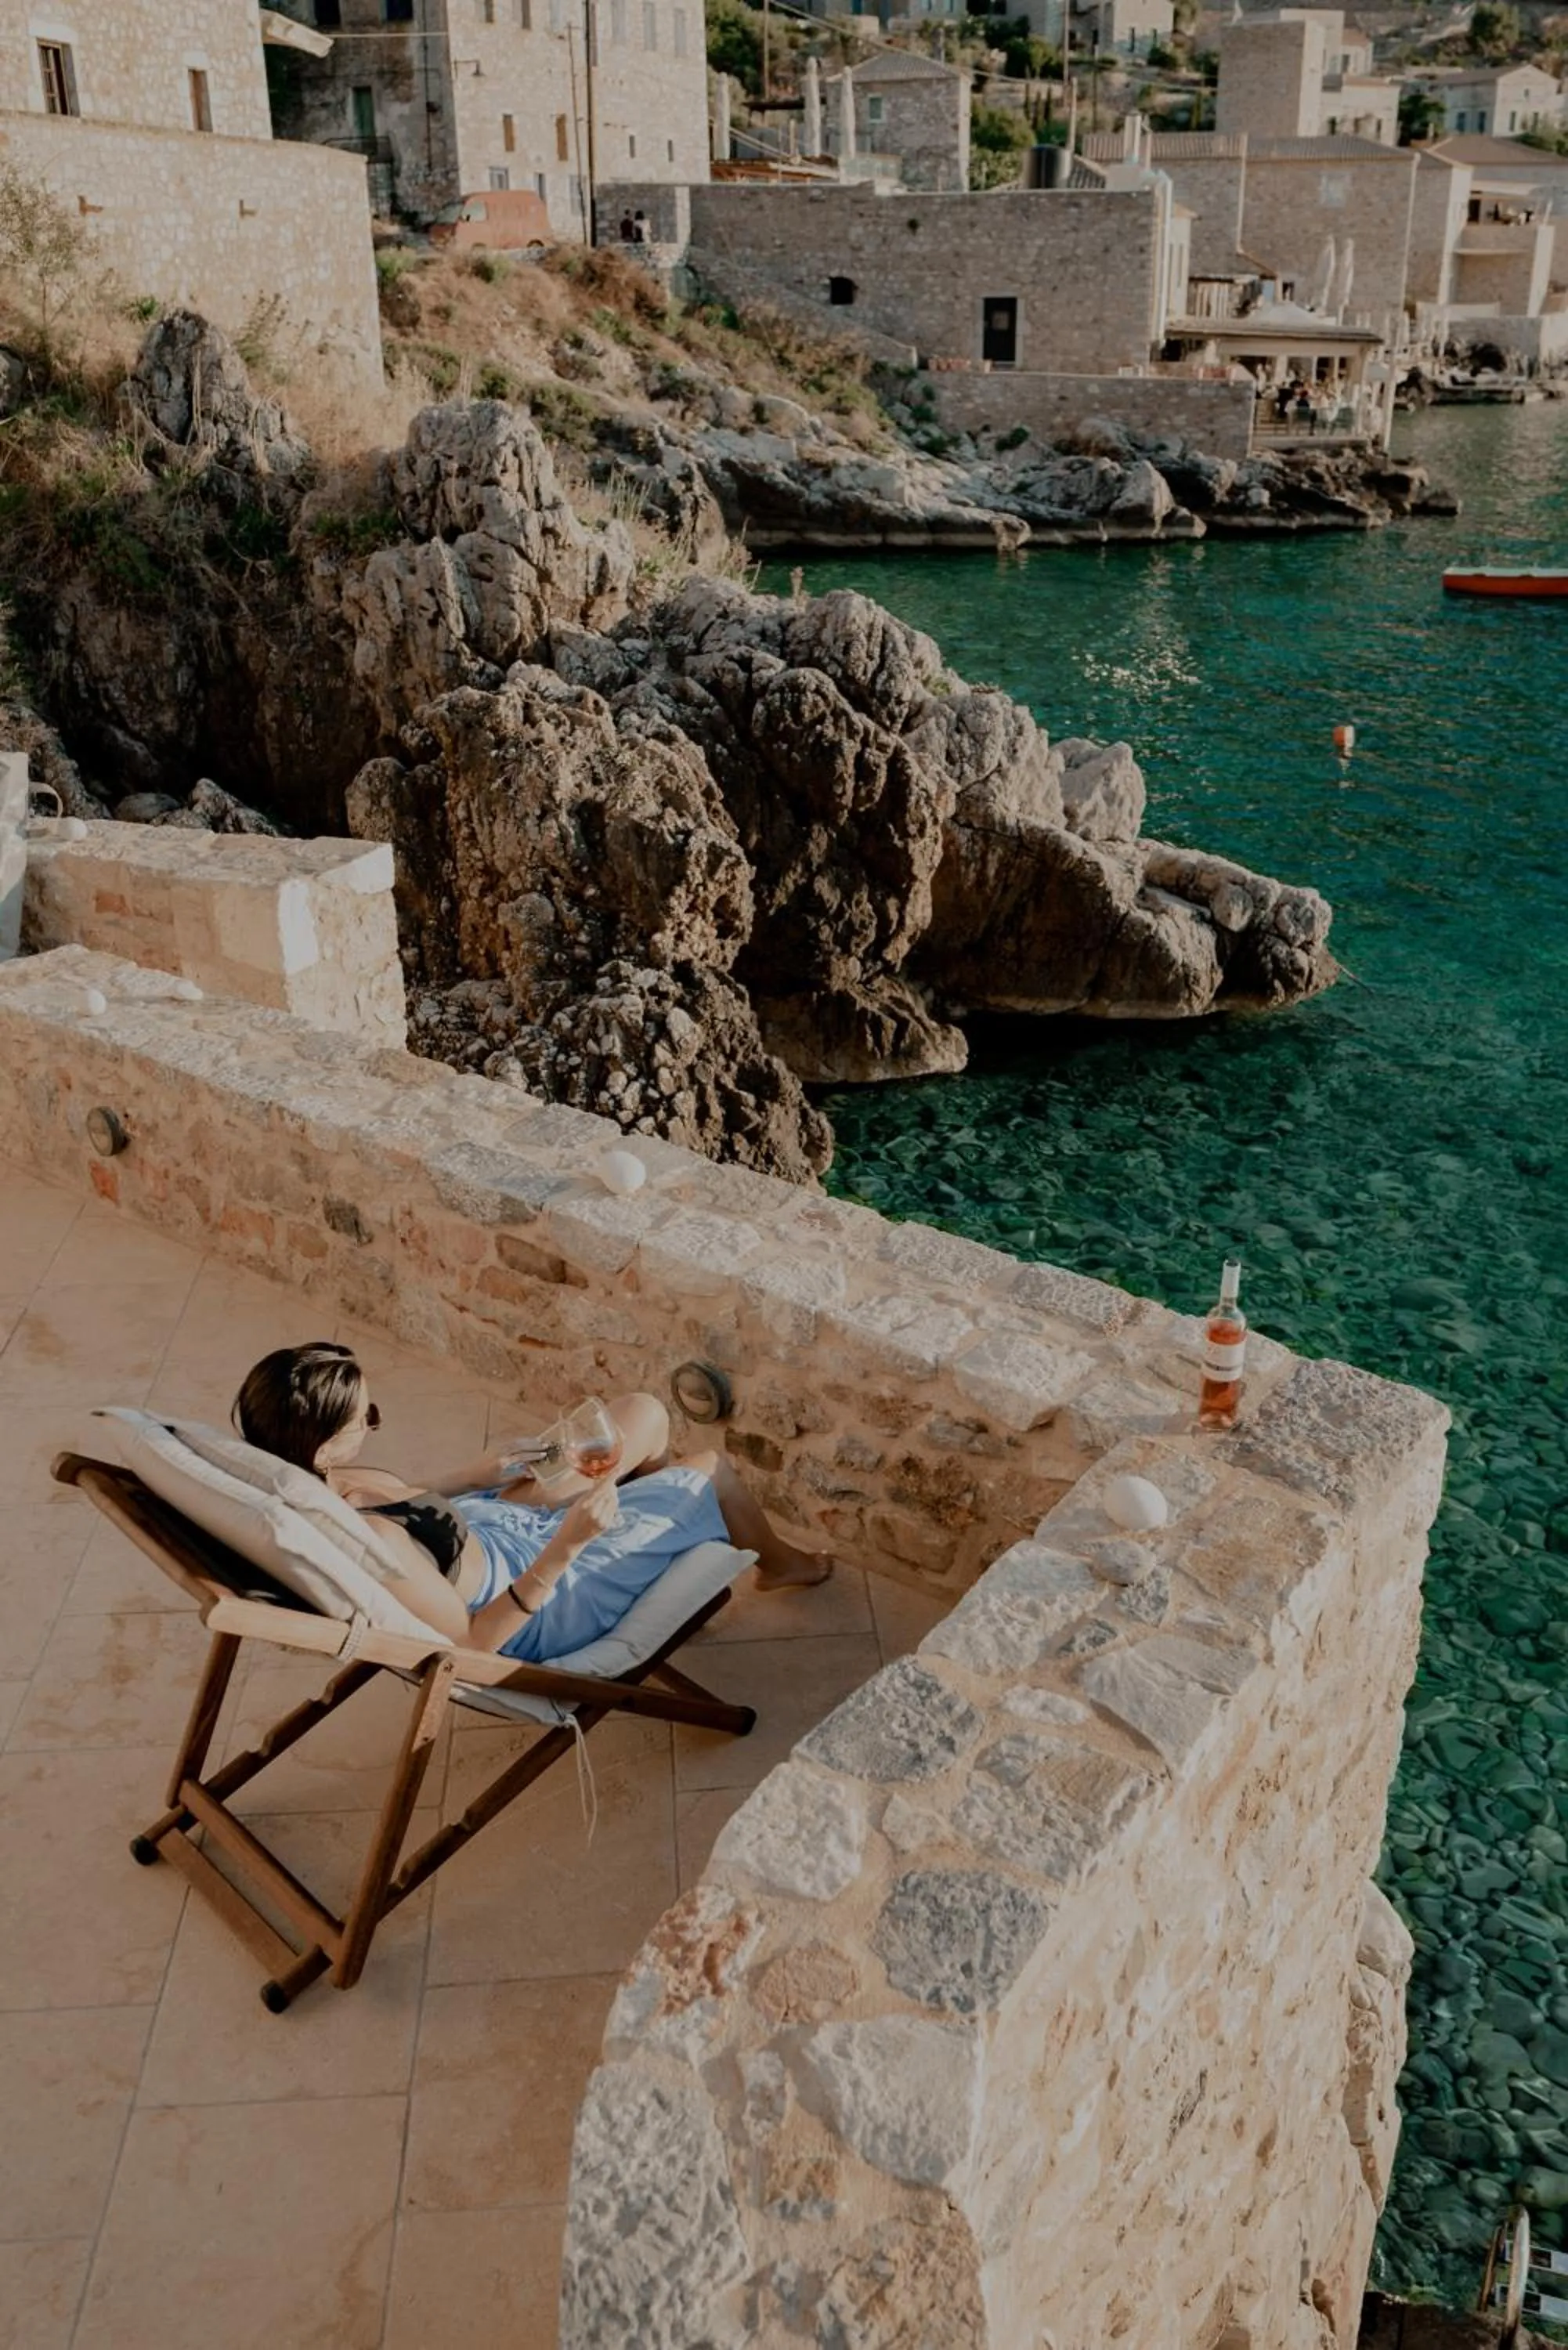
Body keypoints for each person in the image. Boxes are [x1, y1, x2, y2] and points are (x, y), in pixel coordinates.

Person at [233, 1342, 833, 1662]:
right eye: (366, 1417)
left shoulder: (320, 1479)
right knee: (711, 1475)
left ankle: (657, 1543)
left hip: (494, 1523)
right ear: (324, 1446)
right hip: (544, 1594)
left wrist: (472, 1475)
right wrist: (569, 1545)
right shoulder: (374, 1545)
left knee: (643, 1414)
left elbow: (412, 1511)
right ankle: (778, 1565)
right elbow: (472, 1646)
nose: (373, 1421)